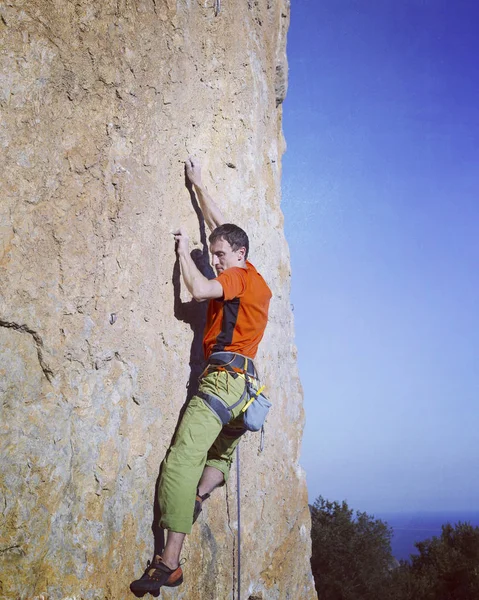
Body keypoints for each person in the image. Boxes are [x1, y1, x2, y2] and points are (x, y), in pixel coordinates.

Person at [130, 157, 272, 596]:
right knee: (219, 456)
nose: (215, 261)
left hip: (221, 382)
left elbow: (198, 290)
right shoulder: (256, 278)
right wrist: (199, 185)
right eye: (213, 255)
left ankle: (168, 563)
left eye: (220, 256)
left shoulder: (237, 278)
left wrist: (181, 254)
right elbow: (222, 225)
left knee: (180, 463)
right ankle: (199, 496)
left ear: (240, 256)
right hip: (247, 392)